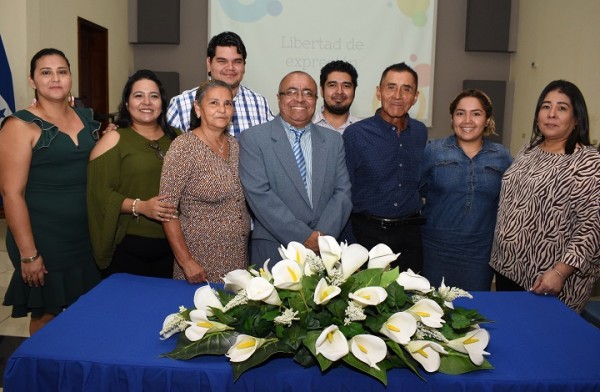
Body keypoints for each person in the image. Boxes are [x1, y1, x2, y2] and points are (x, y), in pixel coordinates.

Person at [0, 48, 102, 334]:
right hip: (43, 238)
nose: (55, 78)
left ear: (70, 77)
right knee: (47, 316)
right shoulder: (19, 125)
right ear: (32, 80)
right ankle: (43, 377)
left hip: (84, 237)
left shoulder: (87, 118)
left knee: (88, 309)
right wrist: (29, 254)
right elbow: (11, 194)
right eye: (46, 72)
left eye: (62, 71)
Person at [490, 80, 600, 313]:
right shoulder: (529, 149)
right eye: (545, 106)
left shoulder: (587, 161)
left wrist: (559, 272)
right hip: (508, 268)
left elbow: (591, 228)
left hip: (550, 279)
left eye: (561, 108)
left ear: (577, 118)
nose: (551, 114)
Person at [239, 71, 352, 266]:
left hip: (325, 251)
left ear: (317, 99)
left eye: (308, 93)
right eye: (291, 92)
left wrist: (321, 238)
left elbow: (342, 193)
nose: (300, 99)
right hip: (274, 249)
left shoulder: (333, 140)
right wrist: (303, 236)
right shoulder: (254, 138)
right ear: (278, 97)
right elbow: (259, 194)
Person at [87, 70, 179, 278]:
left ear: (162, 104)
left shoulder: (179, 139)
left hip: (176, 245)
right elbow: (99, 194)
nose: (147, 102)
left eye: (154, 96)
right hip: (130, 246)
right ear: (127, 104)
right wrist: (141, 206)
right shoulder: (113, 139)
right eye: (138, 95)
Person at [160, 80, 250, 283]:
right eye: (214, 103)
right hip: (199, 263)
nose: (222, 109)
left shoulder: (235, 146)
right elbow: (167, 211)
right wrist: (186, 261)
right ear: (198, 108)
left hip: (237, 260)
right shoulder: (184, 147)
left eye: (228, 103)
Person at [420, 89, 512, 291]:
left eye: (476, 114)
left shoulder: (502, 155)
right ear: (452, 118)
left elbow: (510, 203)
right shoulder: (433, 150)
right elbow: (418, 192)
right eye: (460, 113)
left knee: (475, 312)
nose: (467, 120)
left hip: (480, 253)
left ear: (487, 120)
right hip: (436, 250)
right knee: (434, 311)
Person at [343, 62, 427, 273]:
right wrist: (351, 245)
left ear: (415, 97)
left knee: (411, 301)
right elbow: (344, 192)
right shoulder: (355, 135)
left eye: (406, 89)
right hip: (366, 235)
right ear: (379, 92)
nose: (398, 95)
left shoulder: (420, 132)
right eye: (391, 87)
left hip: (410, 237)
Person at [166, 31, 273, 135]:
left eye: (237, 62)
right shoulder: (181, 104)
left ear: (244, 66)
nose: (230, 68)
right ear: (209, 63)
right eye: (222, 61)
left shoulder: (259, 103)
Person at [312, 60, 361, 134]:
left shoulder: (364, 129)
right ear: (322, 90)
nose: (339, 91)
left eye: (346, 86)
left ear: (354, 91)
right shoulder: (307, 126)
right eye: (332, 85)